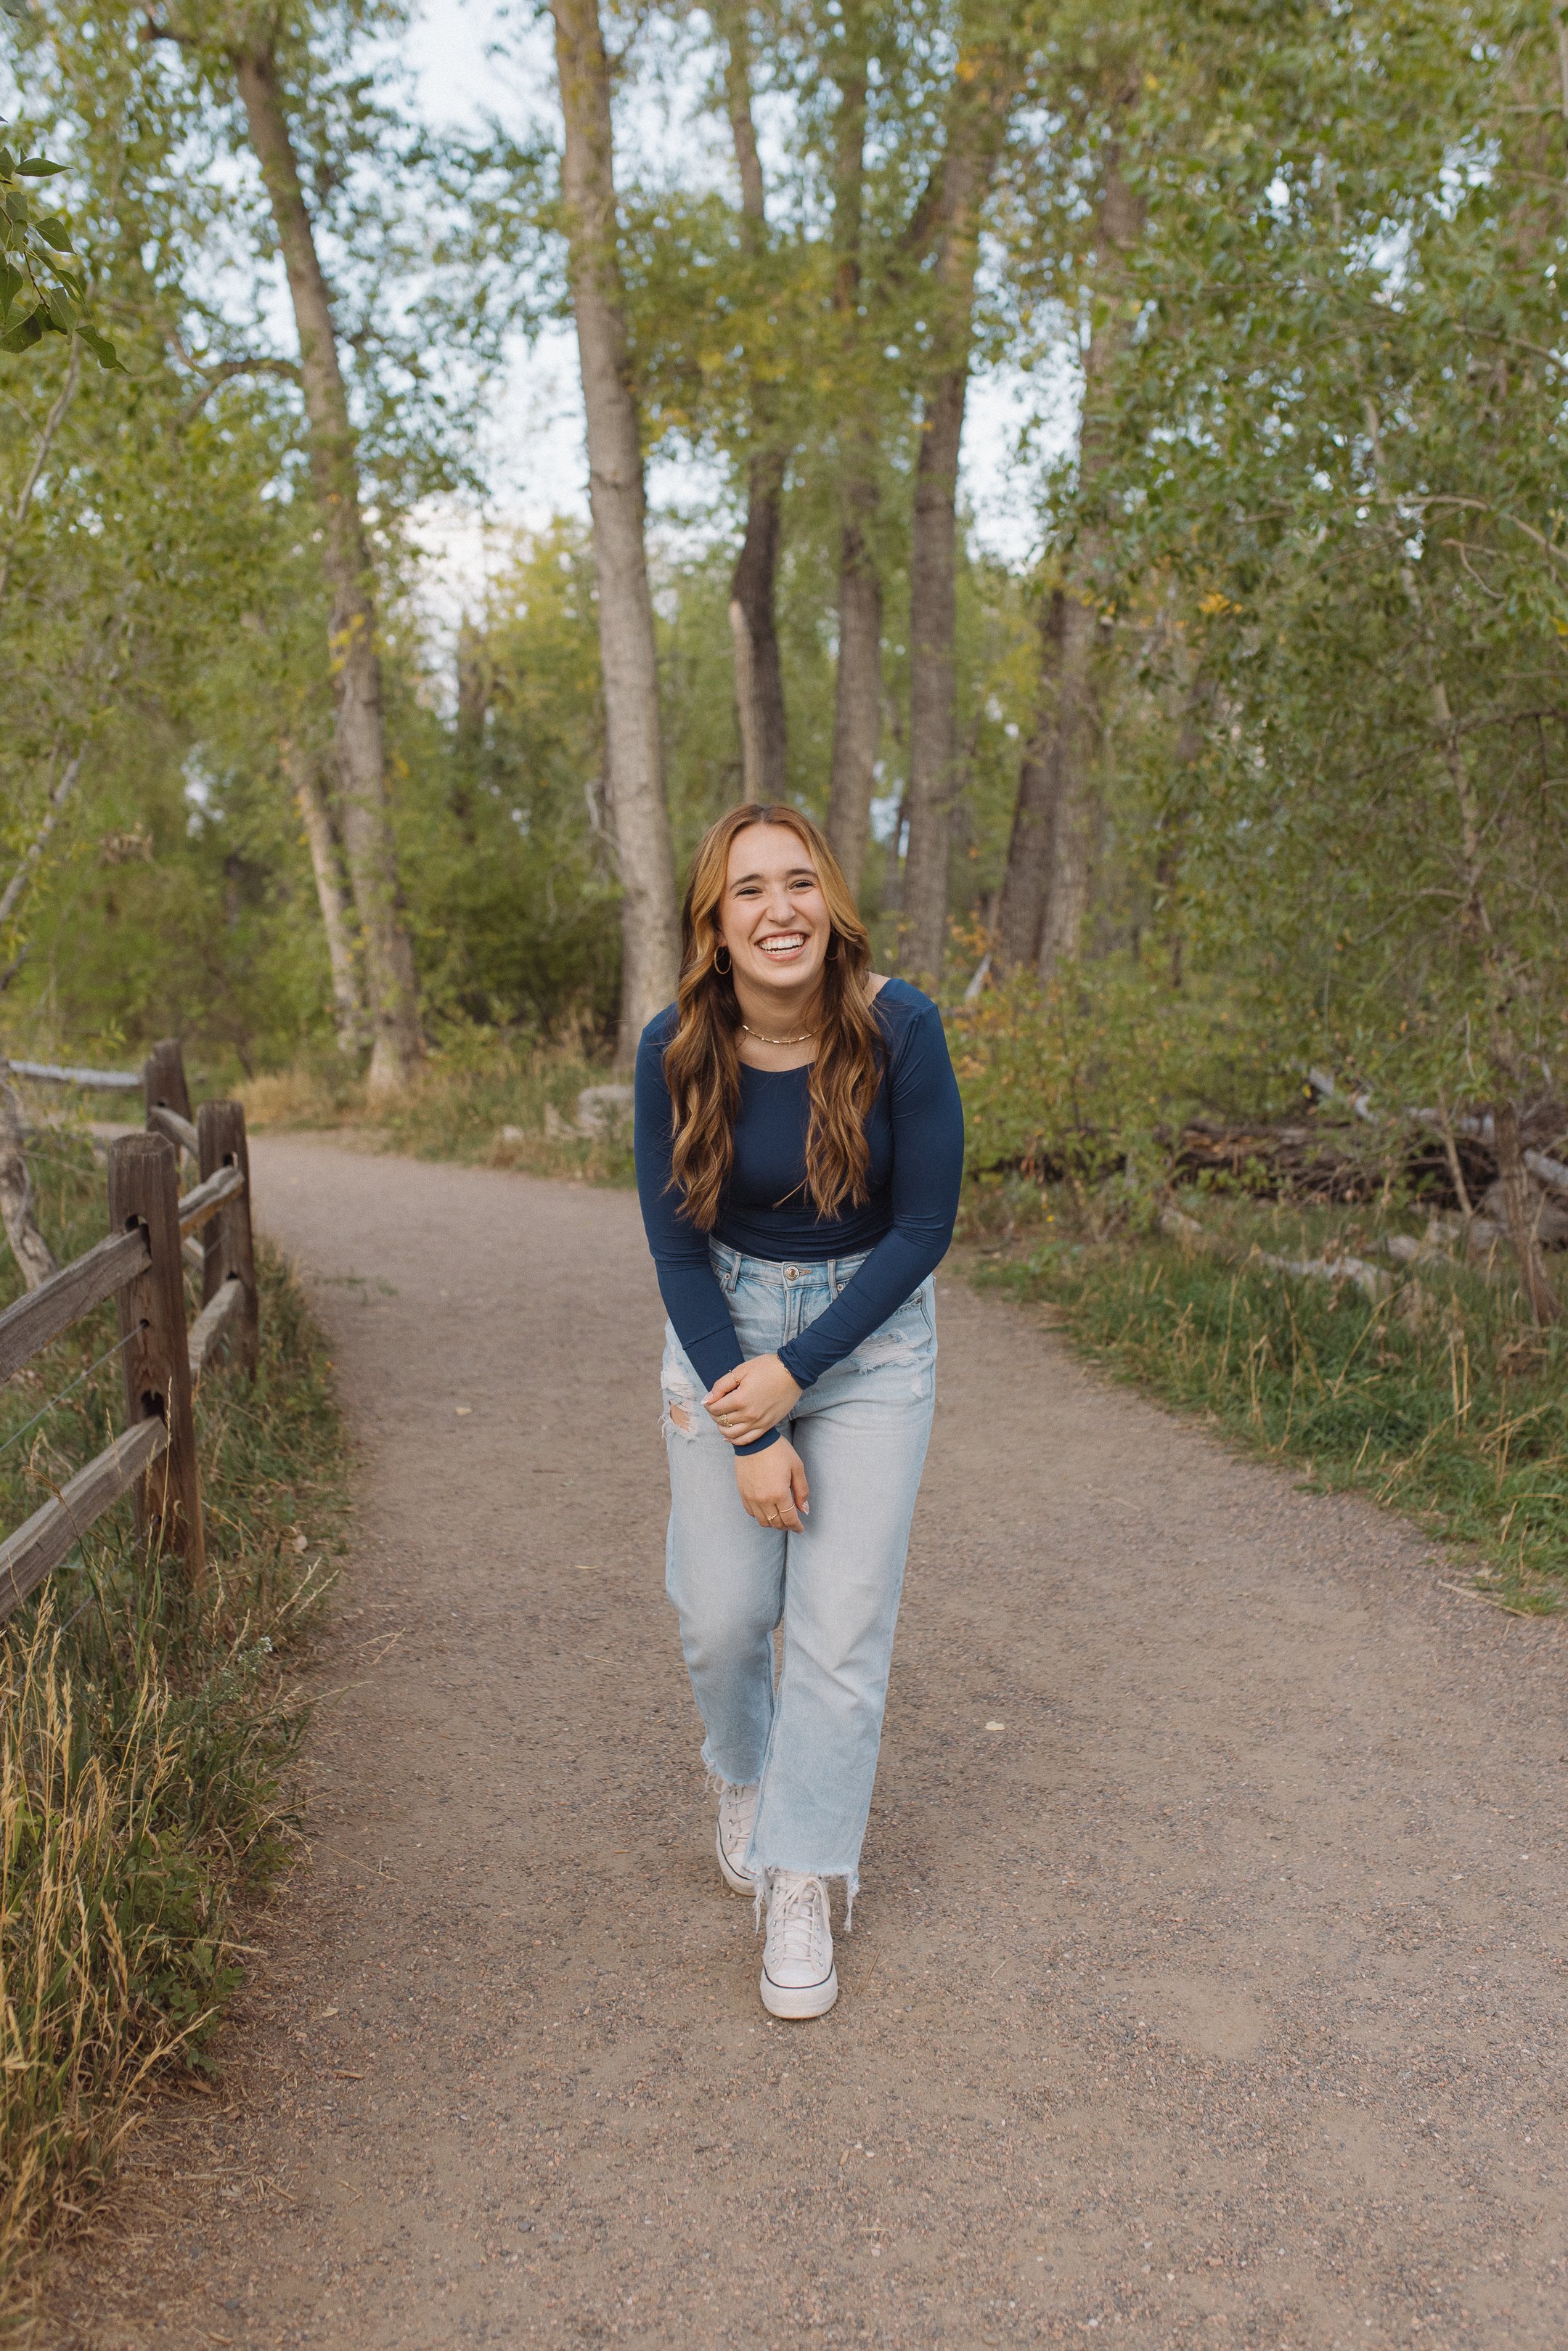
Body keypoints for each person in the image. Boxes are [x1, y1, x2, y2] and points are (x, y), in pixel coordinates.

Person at [634, 802, 964, 2020]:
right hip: (721, 1331)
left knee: (837, 1629)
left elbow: (923, 1228)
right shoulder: (674, 1044)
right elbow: (674, 1250)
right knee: (725, 1617)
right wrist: (754, 1419)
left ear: (832, 900)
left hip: (869, 1343)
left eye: (801, 882)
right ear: (715, 928)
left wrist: (803, 1375)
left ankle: (804, 1870)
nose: (782, 910)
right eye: (750, 892)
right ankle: (744, 1772)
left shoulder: (901, 1028)